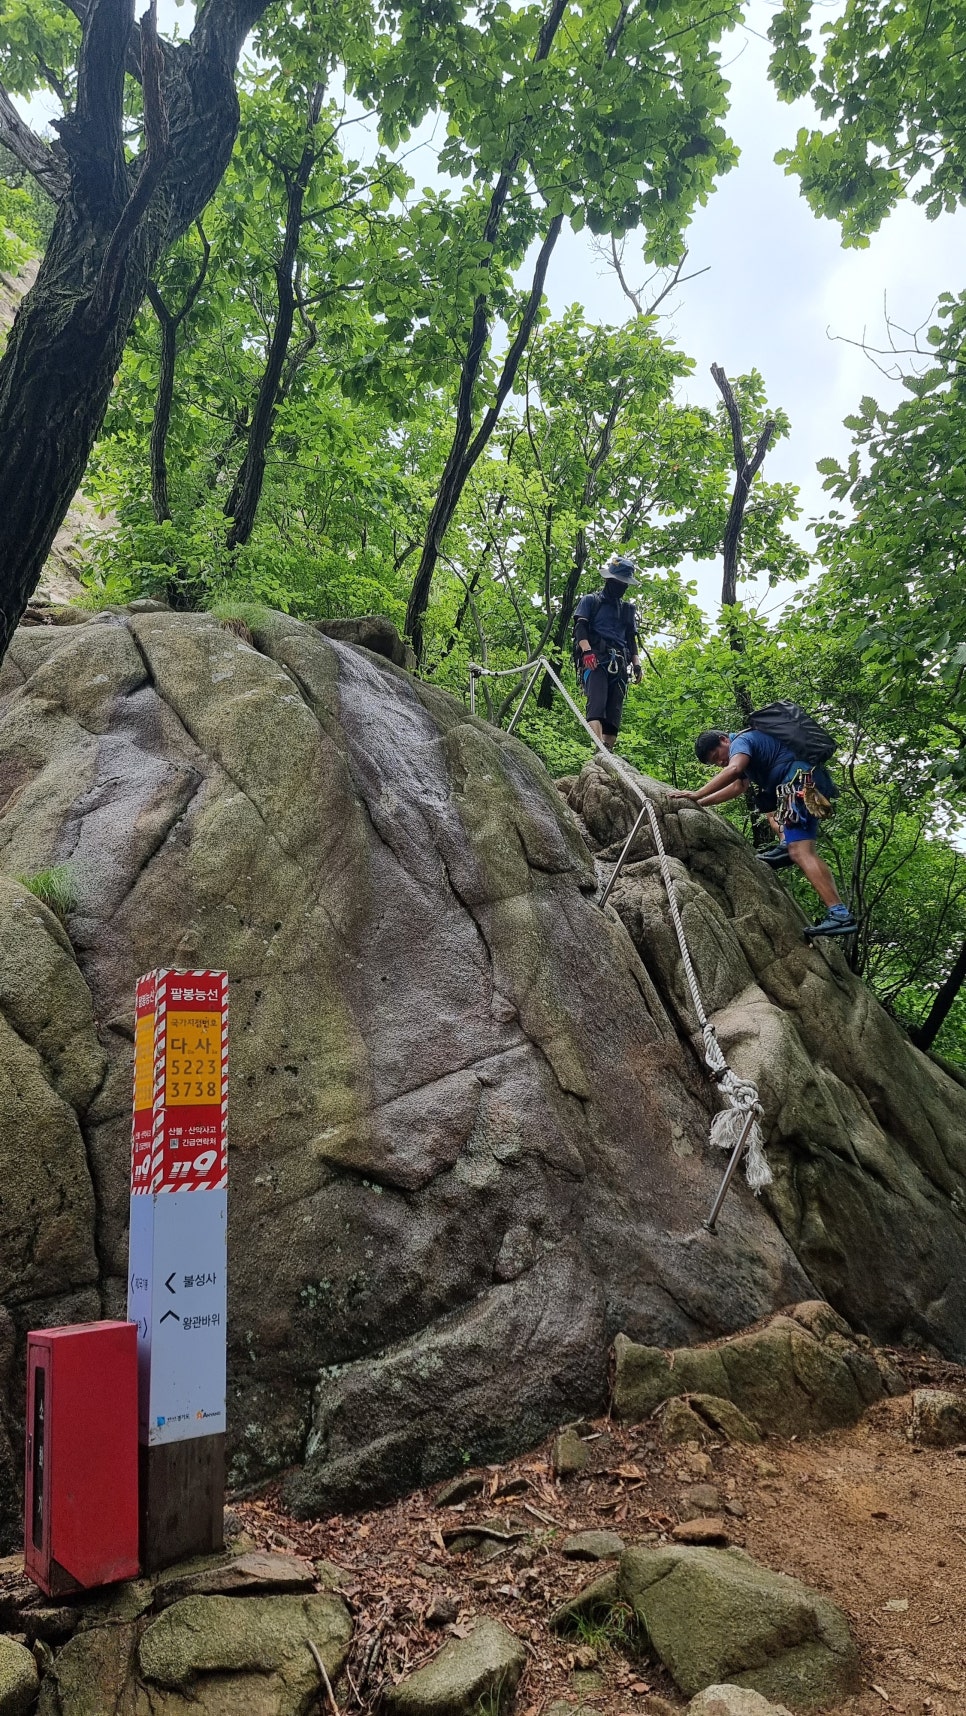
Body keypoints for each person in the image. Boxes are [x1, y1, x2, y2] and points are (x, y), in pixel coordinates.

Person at [671, 727, 858, 938]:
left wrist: (696, 794)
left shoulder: (741, 741)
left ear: (724, 740)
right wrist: (700, 803)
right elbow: (738, 787)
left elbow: (733, 770)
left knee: (801, 852)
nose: (720, 763)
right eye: (715, 763)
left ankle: (839, 913)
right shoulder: (746, 748)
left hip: (799, 784)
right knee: (798, 850)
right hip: (802, 782)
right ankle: (787, 847)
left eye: (717, 757)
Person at [573, 555, 644, 751]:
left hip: (620, 663)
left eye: (624, 584)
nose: (621, 587)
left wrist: (636, 664)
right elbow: (580, 627)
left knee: (614, 711)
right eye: (618, 583)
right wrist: (586, 652)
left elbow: (631, 639)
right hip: (595, 659)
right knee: (597, 705)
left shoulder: (627, 610)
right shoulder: (590, 601)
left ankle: (608, 750)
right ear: (608, 580)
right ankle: (599, 750)